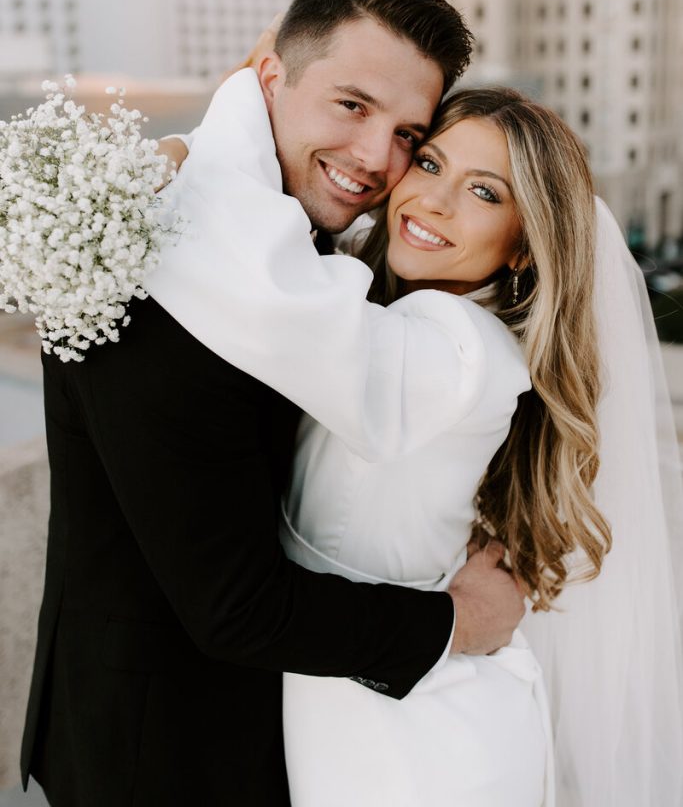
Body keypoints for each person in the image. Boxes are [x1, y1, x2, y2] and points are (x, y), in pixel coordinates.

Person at [20, 0, 528, 807]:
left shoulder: (277, 244)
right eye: (351, 105)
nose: (376, 160)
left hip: (271, 734)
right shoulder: (160, 260)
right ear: (268, 79)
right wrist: (455, 623)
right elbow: (235, 608)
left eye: (408, 132)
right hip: (161, 751)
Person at [155, 74, 683, 804]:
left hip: (423, 746)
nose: (434, 199)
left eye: (485, 193)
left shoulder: (460, 351)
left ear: (524, 249)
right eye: (430, 163)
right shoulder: (404, 314)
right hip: (361, 705)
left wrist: (194, 142)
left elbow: (259, 294)